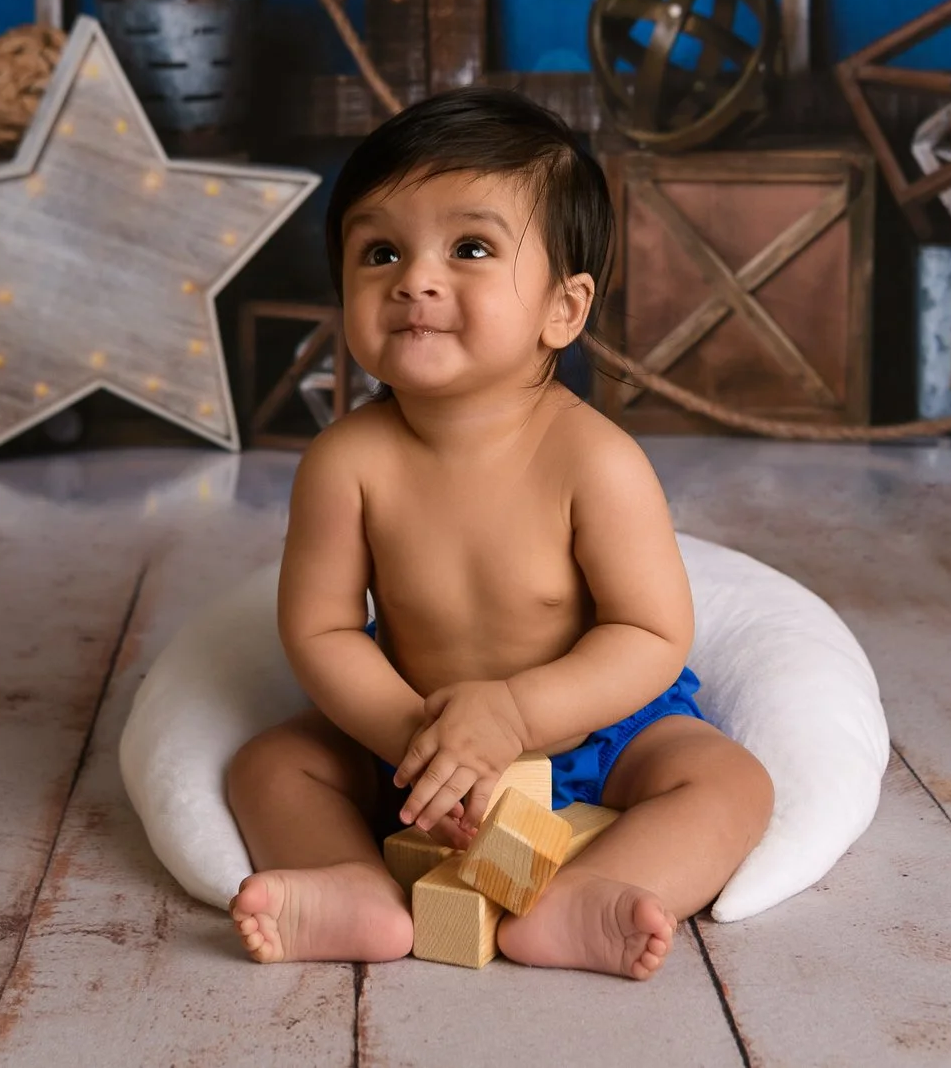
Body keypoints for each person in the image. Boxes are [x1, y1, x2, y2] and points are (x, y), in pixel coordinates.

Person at [225, 88, 773, 980]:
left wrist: (516, 715)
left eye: (470, 247)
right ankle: (350, 883)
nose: (414, 277)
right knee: (270, 763)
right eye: (381, 251)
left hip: (598, 730)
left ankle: (584, 896)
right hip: (412, 730)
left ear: (564, 307)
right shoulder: (346, 461)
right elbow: (321, 630)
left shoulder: (594, 460)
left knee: (728, 782)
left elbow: (651, 633)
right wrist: (420, 739)